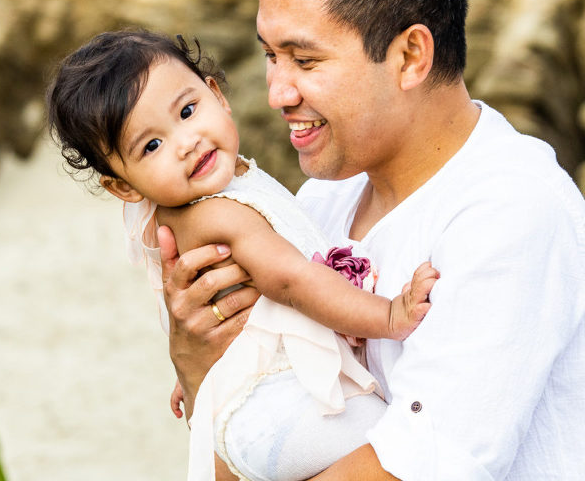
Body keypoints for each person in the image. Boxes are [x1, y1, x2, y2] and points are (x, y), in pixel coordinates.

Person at [159, 0, 585, 479]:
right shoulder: (321, 201)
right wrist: (205, 369)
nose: (277, 93)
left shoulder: (509, 210)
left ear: (409, 57)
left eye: (305, 60)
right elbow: (252, 450)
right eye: (271, 56)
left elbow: (409, 471)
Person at [46, 29, 440, 480]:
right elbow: (292, 281)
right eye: (151, 145)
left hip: (254, 414)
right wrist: (389, 315)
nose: (185, 142)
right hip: (279, 410)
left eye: (187, 111)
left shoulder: (225, 192)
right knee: (410, 446)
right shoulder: (221, 214)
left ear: (217, 95)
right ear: (124, 186)